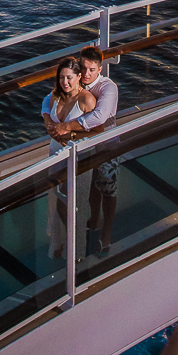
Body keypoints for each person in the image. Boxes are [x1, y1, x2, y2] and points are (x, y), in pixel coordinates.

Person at [43, 46, 119, 257]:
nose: (86, 74)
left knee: (107, 188)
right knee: (89, 188)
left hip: (106, 144)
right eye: (83, 68)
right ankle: (92, 221)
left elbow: (99, 118)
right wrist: (48, 118)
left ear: (100, 69)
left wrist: (66, 129)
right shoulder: (72, 84)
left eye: (91, 70)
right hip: (83, 148)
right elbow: (48, 99)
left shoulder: (107, 88)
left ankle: (106, 233)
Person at [42, 57, 96, 257]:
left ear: (79, 77)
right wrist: (50, 126)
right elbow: (46, 110)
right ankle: (57, 244)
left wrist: (70, 135)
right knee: (56, 199)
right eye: (62, 78)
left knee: (77, 204)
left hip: (79, 155)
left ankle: (77, 252)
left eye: (70, 78)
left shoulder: (86, 100)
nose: (65, 82)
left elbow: (97, 131)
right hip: (55, 152)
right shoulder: (55, 96)